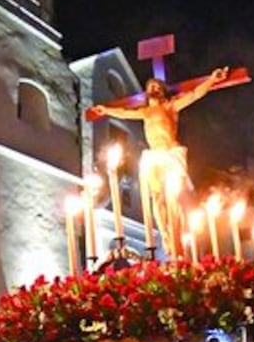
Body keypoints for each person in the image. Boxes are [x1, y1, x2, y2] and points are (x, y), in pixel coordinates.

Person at [88, 67, 229, 241]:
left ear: (162, 92)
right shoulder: (145, 112)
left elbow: (194, 94)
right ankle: (166, 234)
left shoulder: (170, 107)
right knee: (156, 195)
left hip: (170, 153)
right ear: (147, 93)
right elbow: (124, 113)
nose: (154, 89)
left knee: (174, 195)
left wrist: (212, 79)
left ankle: (178, 232)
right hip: (153, 156)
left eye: (157, 87)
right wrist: (106, 110)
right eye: (150, 87)